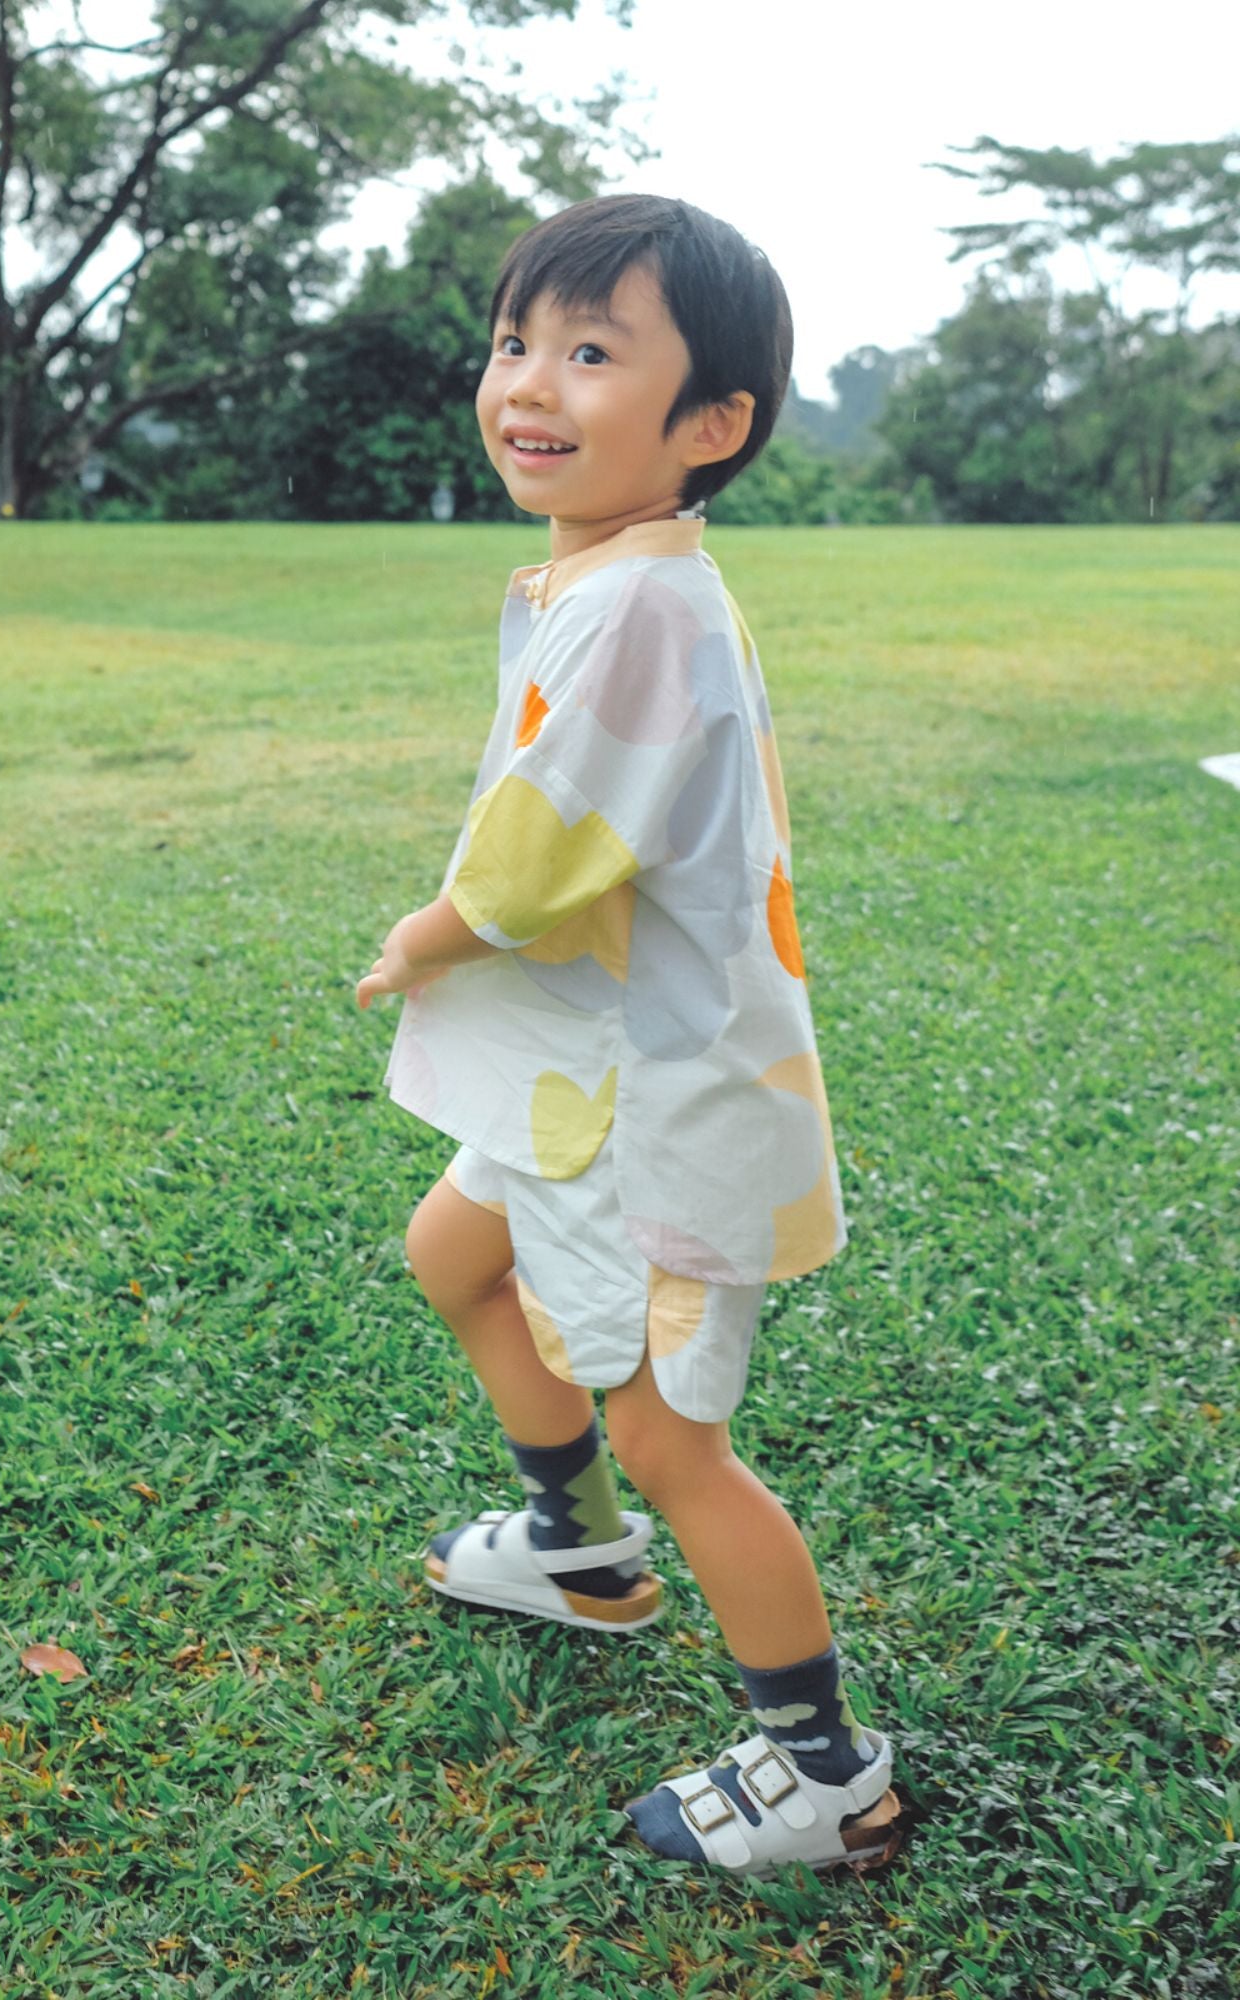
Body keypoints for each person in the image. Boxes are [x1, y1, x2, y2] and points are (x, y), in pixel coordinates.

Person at [355, 193, 904, 1879]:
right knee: (456, 1256)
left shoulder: (648, 605)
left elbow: (539, 850)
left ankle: (828, 1774)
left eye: (594, 352)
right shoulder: (609, 571)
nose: (533, 379)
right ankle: (578, 1553)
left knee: (678, 1438)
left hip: (661, 1102)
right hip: (578, 1080)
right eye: (518, 341)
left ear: (712, 425)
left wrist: (421, 937)